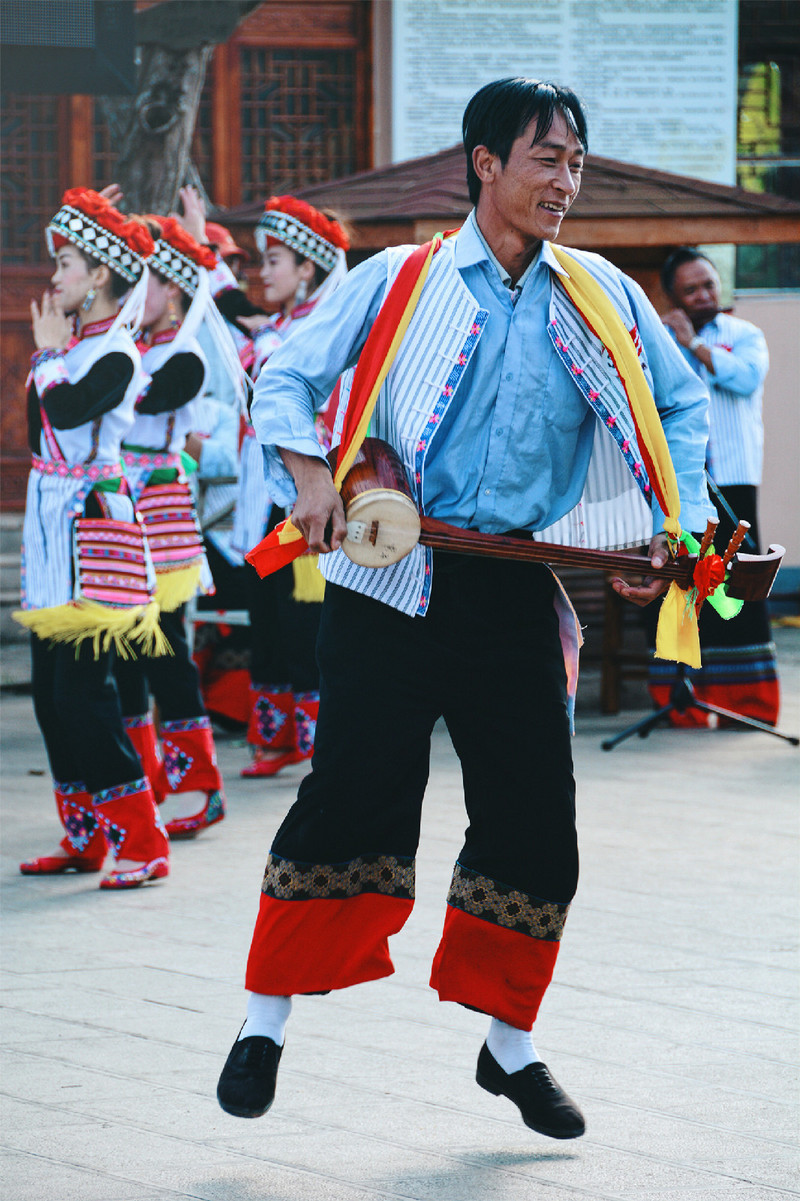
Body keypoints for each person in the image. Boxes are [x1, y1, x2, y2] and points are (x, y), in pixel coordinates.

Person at [216, 78, 715, 1137]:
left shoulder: (601, 295)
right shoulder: (396, 279)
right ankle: (264, 1021)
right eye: (545, 159)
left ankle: (508, 1047)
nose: (563, 181)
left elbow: (672, 401)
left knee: (536, 820)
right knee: (350, 798)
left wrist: (665, 521)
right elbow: (284, 377)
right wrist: (309, 478)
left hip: (511, 583)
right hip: (386, 576)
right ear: (483, 164)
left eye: (575, 162)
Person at [15, 187, 171, 890]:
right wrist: (51, 358)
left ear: (102, 275)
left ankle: (144, 837)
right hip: (51, 522)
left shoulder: (117, 353)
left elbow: (72, 412)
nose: (57, 277)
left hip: (91, 522)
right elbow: (37, 428)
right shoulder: (73, 344)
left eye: (69, 262)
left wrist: (48, 359)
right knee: (50, 693)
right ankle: (86, 833)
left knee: (85, 693)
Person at [114, 212, 241, 839]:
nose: (139, 294)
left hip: (158, 511)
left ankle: (201, 784)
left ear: (179, 292)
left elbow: (129, 405)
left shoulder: (183, 358)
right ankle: (147, 776)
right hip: (120, 505)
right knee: (129, 652)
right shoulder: (132, 348)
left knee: (164, 647)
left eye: (152, 283)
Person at [231, 196, 350, 779]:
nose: (265, 271)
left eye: (276, 259)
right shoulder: (276, 328)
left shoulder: (322, 331)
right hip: (268, 500)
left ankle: (314, 739)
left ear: (309, 269)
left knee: (307, 619)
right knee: (270, 613)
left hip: (308, 499)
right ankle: (276, 736)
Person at [650, 247, 779, 725]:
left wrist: (696, 345)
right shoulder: (659, 340)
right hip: (679, 486)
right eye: (692, 289)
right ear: (673, 296)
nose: (704, 294)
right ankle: (679, 704)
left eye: (709, 284)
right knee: (681, 590)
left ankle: (748, 704)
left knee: (739, 592)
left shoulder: (744, 335)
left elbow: (745, 380)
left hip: (733, 480)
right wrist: (672, 343)